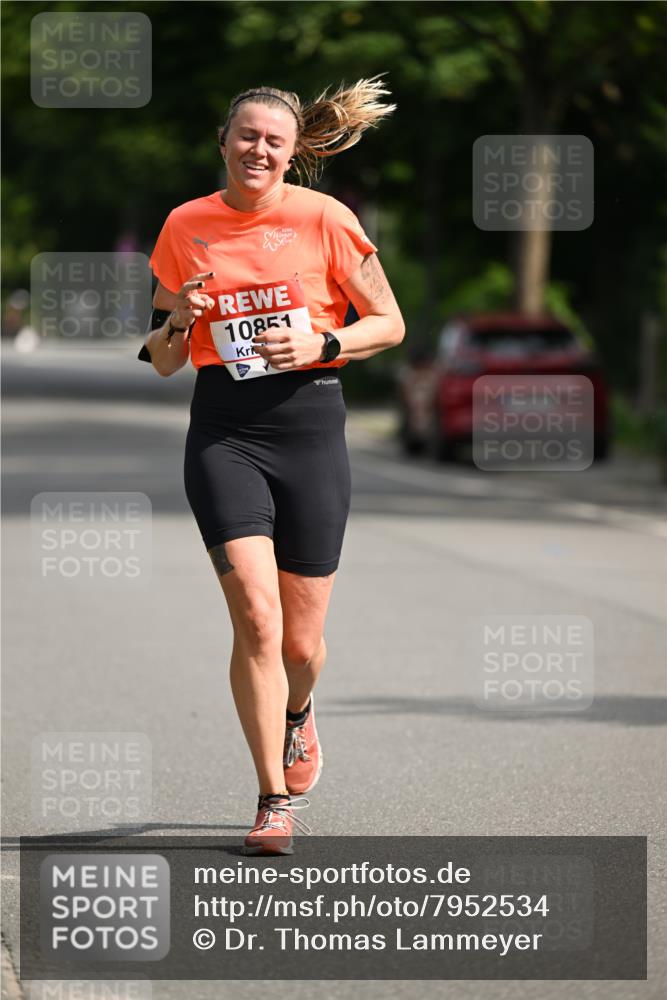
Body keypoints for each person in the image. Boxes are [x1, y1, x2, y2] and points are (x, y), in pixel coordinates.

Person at [139, 78, 405, 854]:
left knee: (299, 645)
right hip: (224, 434)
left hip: (311, 430)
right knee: (256, 617)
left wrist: (324, 343)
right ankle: (271, 800)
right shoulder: (185, 225)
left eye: (274, 141)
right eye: (247, 136)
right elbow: (159, 360)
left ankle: (299, 711)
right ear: (222, 141)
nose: (258, 150)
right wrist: (178, 323)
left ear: (292, 155)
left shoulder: (325, 219)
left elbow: (388, 322)